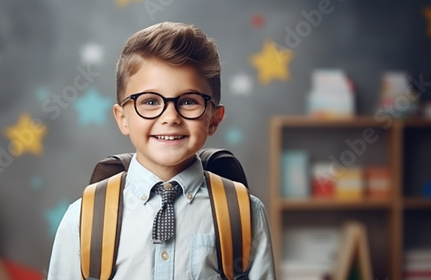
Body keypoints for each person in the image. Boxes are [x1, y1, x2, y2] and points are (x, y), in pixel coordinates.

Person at [47, 21, 275, 280]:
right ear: (122, 118)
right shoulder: (82, 219)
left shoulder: (246, 213)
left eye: (189, 101)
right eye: (150, 101)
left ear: (213, 118)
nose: (170, 117)